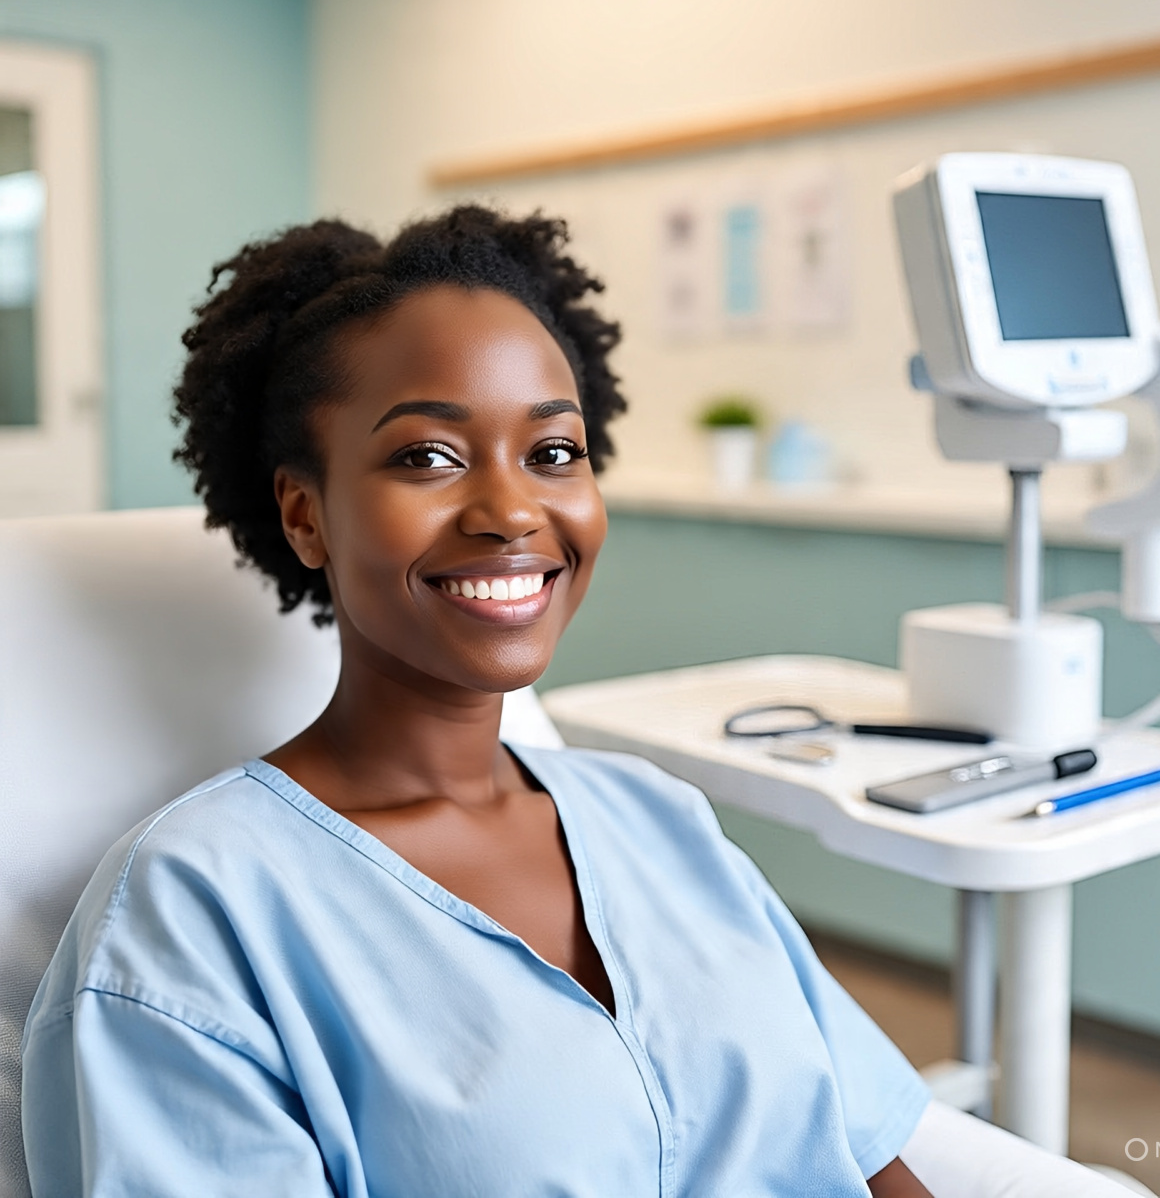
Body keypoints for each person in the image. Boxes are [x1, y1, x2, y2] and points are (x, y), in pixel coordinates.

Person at [22, 207, 934, 1197]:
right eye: (428, 455)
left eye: (552, 452)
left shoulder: (659, 819)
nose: (511, 512)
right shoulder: (195, 908)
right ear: (305, 513)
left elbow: (872, 1157)